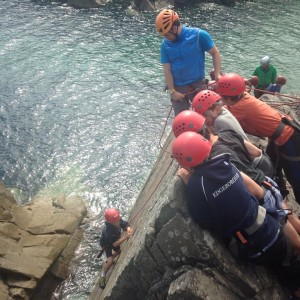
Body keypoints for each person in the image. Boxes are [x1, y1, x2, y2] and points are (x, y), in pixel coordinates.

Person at [172, 131, 300, 298]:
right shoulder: (225, 163)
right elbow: (256, 192)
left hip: (252, 246)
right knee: (289, 263)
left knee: (288, 271)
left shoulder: (197, 187)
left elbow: (204, 221)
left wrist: (189, 184)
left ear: (184, 162)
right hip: (270, 227)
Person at [172, 111, 300, 233]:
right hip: (266, 181)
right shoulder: (226, 133)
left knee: (285, 225)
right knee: (291, 217)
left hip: (257, 192)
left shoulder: (215, 159)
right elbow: (255, 152)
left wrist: (190, 181)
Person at [216, 73, 300, 204]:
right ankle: (280, 193)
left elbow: (218, 115)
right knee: (274, 166)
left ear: (227, 98)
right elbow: (227, 107)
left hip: (288, 139)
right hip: (284, 133)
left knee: (295, 178)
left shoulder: (240, 108)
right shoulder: (244, 97)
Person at [191, 90, 274, 178]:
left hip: (256, 164)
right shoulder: (223, 112)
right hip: (260, 159)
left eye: (205, 115)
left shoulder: (220, 121)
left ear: (217, 109)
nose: (204, 120)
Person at [155, 9, 222, 116]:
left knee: (208, 115)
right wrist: (172, 92)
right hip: (178, 88)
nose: (166, 38)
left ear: (174, 27)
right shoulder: (165, 45)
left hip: (197, 84)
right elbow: (167, 70)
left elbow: (215, 53)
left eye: (167, 35)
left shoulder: (199, 35)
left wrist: (218, 74)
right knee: (182, 118)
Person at [98, 208, 132, 289]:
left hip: (113, 240)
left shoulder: (117, 219)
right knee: (110, 261)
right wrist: (126, 237)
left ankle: (109, 259)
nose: (118, 222)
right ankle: (102, 275)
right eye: (115, 221)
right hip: (106, 244)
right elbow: (115, 243)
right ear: (111, 222)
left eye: (118, 220)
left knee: (118, 251)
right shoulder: (109, 232)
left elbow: (126, 225)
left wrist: (128, 230)